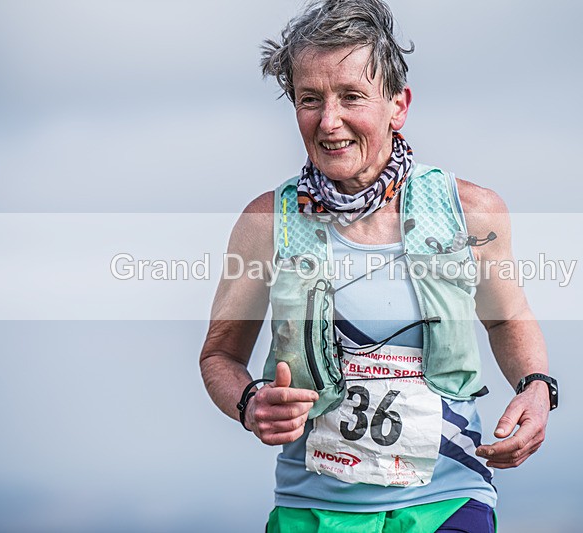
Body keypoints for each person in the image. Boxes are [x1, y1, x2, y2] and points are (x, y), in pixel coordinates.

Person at [199, 1, 557, 531]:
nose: (329, 120)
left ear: (398, 105)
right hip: (314, 509)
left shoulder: (471, 211)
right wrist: (250, 403)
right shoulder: (266, 223)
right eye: (310, 99)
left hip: (449, 501)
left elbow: (506, 318)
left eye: (351, 97)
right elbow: (220, 356)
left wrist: (536, 386)